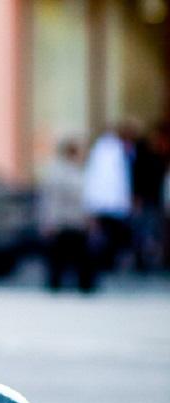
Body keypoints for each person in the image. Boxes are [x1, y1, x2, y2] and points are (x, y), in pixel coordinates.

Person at [38, 139, 95, 293]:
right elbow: (51, 199)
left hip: (74, 221)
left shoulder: (77, 171)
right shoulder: (60, 173)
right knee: (61, 258)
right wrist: (49, 221)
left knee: (79, 258)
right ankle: (57, 286)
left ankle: (82, 286)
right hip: (64, 222)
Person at [83, 124, 133, 274]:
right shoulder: (114, 153)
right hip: (110, 202)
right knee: (107, 235)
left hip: (103, 202)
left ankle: (106, 261)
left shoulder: (100, 153)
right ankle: (105, 261)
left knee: (108, 235)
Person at [131, 122, 169, 272]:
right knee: (144, 230)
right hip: (146, 200)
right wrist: (136, 197)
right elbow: (138, 179)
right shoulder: (144, 157)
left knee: (153, 231)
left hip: (156, 200)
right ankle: (143, 260)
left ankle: (151, 260)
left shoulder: (160, 157)